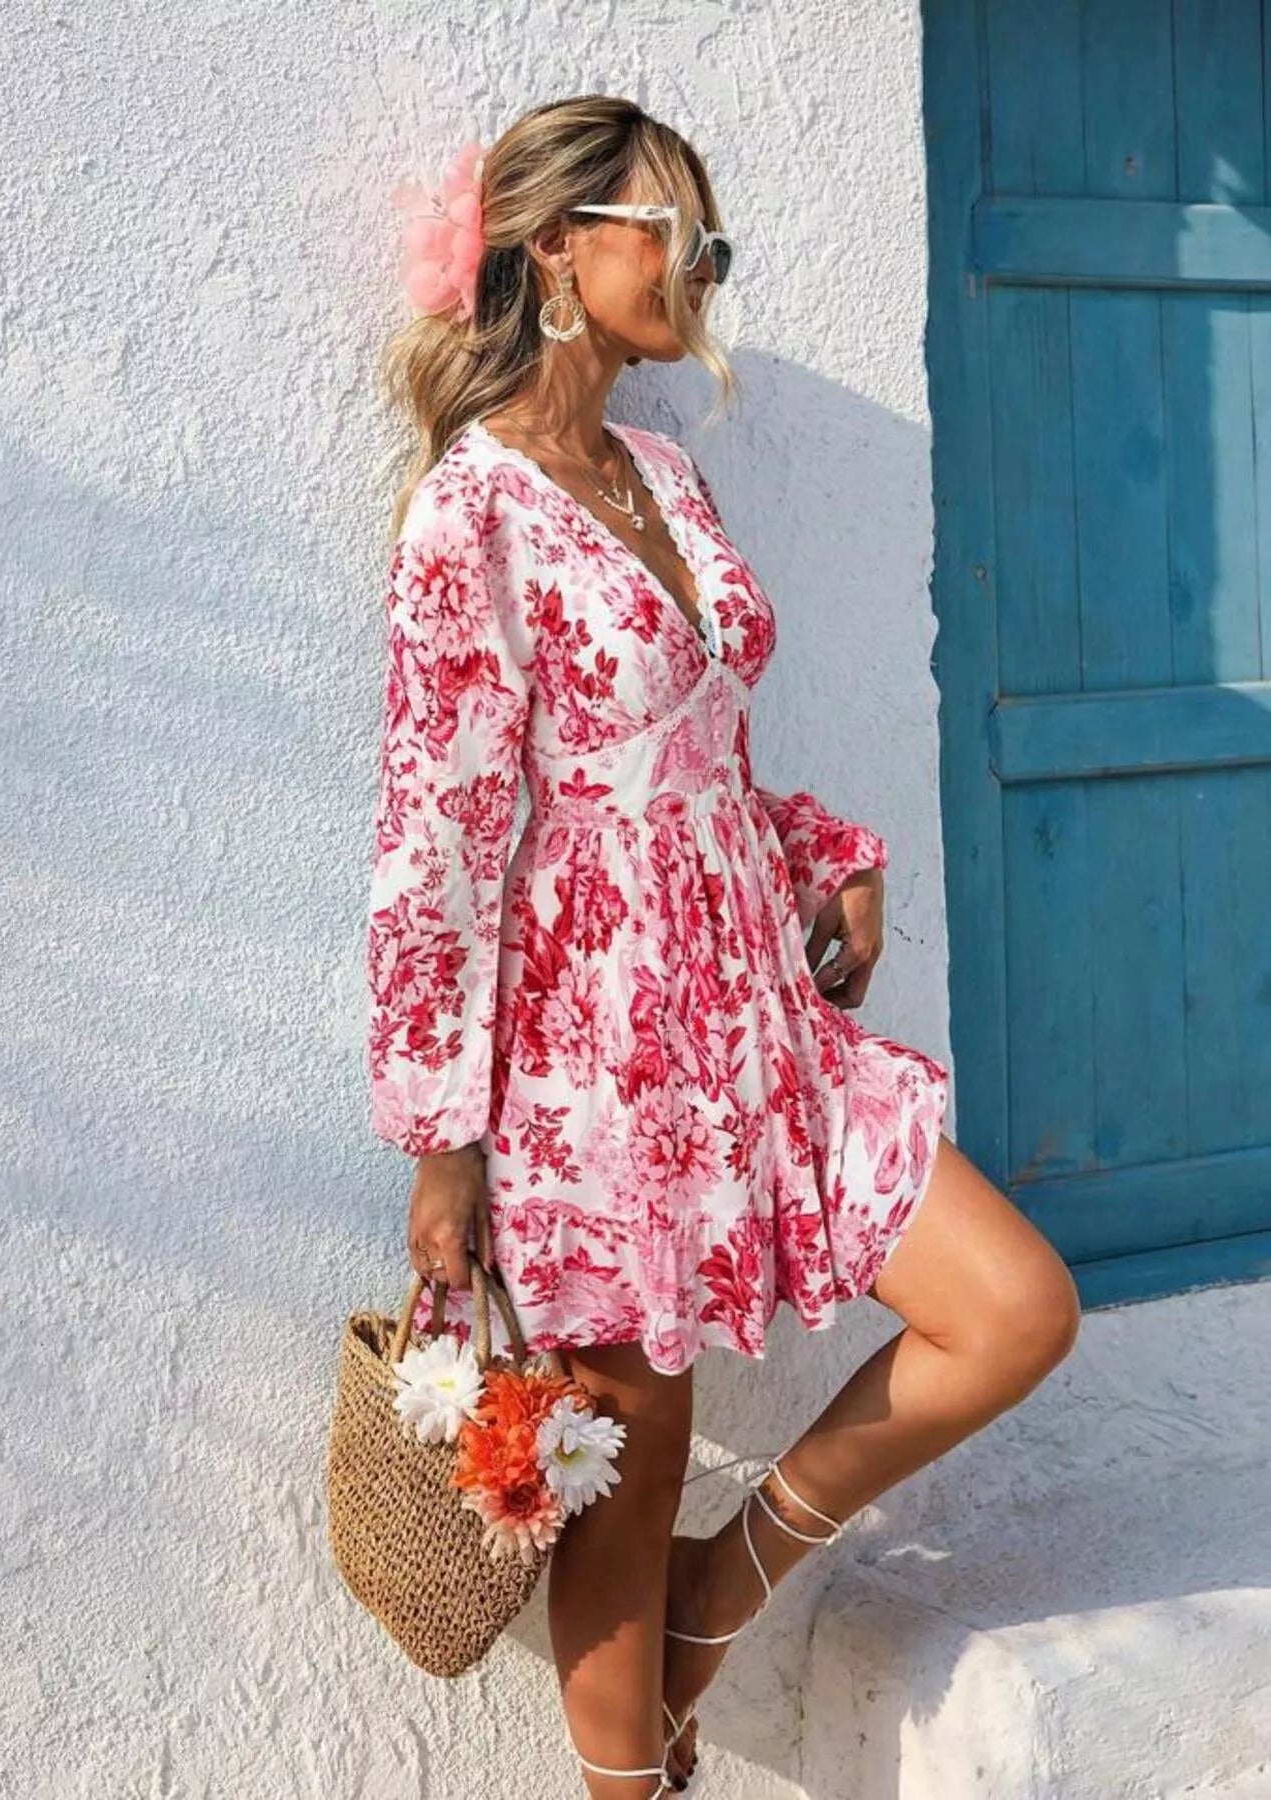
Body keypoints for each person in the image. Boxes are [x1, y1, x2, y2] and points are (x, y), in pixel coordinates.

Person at [366, 95, 1082, 1800]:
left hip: (756, 1019)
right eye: (675, 233)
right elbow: (439, 840)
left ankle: (712, 1602)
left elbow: (696, 760)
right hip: (592, 1064)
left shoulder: (661, 474)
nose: (702, 268)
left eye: (713, 243)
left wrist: (821, 856)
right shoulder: (470, 516)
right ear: (560, 250)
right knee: (629, 1456)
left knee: (1013, 1308)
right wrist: (442, 1137)